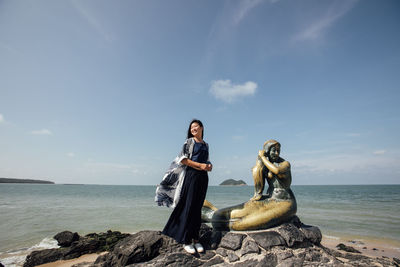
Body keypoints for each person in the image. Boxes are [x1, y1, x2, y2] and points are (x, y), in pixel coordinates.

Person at [211, 139, 296, 231]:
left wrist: (263, 158)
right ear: (267, 152)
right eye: (273, 150)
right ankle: (212, 216)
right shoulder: (266, 165)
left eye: (278, 150)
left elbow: (277, 171)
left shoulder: (285, 164)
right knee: (219, 215)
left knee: (239, 225)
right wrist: (260, 159)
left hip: (285, 202)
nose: (276, 153)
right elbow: (257, 172)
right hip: (270, 199)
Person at [155, 119, 212, 254]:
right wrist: (200, 166)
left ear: (202, 128)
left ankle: (195, 239)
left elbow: (207, 160)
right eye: (191, 127)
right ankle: (186, 241)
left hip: (203, 178)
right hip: (191, 176)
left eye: (196, 126)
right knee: (188, 206)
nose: (193, 129)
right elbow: (183, 159)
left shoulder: (206, 144)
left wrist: (209, 165)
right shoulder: (189, 142)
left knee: (198, 208)